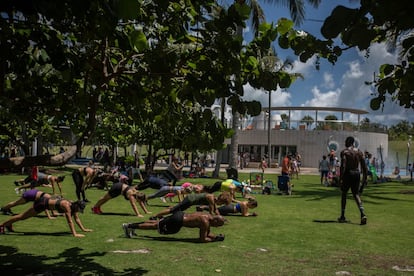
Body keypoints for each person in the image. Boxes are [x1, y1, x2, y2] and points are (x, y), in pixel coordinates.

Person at [0, 198, 91, 237]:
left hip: (45, 205)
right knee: (22, 217)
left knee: (22, 217)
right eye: (79, 209)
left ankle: (7, 224)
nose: (79, 211)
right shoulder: (66, 206)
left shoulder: (73, 206)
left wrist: (84, 229)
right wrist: (75, 234)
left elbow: (77, 218)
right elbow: (70, 221)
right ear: (77, 206)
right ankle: (2, 225)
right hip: (41, 204)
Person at [122, 211, 226, 242]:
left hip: (180, 215)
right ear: (215, 220)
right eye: (218, 225)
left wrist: (216, 237)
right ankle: (129, 226)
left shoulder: (207, 215)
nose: (217, 227)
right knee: (155, 225)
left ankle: (132, 226)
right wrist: (214, 240)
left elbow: (208, 233)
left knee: (156, 223)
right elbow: (202, 239)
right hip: (178, 221)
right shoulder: (205, 222)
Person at [338, 136, 368, 225]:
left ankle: (343, 216)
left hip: (348, 173)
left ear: (348, 142)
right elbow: (364, 167)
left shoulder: (344, 152)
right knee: (356, 194)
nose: (344, 143)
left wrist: (340, 178)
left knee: (344, 193)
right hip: (356, 173)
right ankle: (362, 214)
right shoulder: (359, 152)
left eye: (345, 141)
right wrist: (364, 180)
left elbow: (343, 165)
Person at [150, 192, 232, 220]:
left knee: (176, 210)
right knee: (173, 210)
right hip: (189, 200)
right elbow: (211, 211)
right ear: (221, 200)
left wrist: (221, 218)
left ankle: (159, 216)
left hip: (190, 201)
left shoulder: (213, 198)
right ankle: (155, 216)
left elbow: (215, 210)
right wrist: (215, 219)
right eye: (222, 203)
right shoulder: (211, 198)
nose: (221, 205)